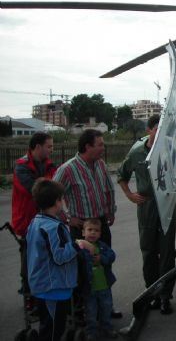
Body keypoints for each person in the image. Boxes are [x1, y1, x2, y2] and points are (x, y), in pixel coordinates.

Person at [54, 129, 122, 319]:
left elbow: (109, 189)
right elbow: (51, 196)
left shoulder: (100, 164)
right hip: (81, 229)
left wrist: (110, 210)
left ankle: (105, 307)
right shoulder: (67, 169)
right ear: (87, 147)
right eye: (100, 144)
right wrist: (67, 218)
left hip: (101, 225)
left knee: (104, 265)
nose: (103, 147)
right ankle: (82, 311)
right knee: (83, 272)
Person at [117, 115, 176, 315]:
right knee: (149, 252)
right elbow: (121, 175)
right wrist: (130, 195)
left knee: (167, 253)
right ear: (149, 130)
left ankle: (165, 297)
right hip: (147, 204)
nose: (160, 133)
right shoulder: (136, 152)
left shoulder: (171, 149)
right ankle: (151, 293)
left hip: (166, 203)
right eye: (157, 129)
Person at [26, 179, 80, 341]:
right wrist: (78, 245)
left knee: (47, 325)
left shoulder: (36, 222)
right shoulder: (53, 227)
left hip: (42, 283)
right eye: (61, 199)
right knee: (54, 330)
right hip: (54, 287)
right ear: (57, 201)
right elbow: (59, 257)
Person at [11, 132, 57, 310]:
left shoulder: (48, 164)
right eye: (49, 146)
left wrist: (42, 182)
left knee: (46, 259)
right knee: (29, 260)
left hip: (46, 220)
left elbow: (54, 186)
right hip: (27, 220)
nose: (51, 150)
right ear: (37, 147)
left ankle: (43, 295)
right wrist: (45, 184)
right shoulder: (22, 166)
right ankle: (30, 297)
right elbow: (34, 191)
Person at [79, 218, 118, 340]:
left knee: (106, 309)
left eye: (96, 230)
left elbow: (112, 255)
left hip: (104, 287)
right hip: (89, 288)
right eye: (89, 230)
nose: (93, 233)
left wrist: (102, 259)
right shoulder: (81, 249)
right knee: (91, 312)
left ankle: (107, 328)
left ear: (100, 234)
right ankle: (92, 332)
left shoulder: (102, 246)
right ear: (83, 232)